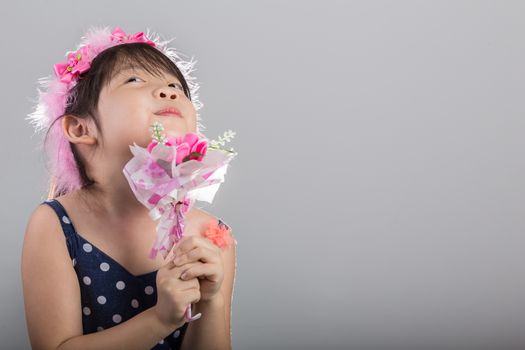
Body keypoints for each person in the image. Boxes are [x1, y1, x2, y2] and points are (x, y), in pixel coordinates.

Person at [21, 26, 236, 350]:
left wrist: (212, 300)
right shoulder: (56, 224)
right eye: (134, 80)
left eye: (175, 85)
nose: (169, 92)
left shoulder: (211, 235)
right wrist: (160, 320)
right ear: (80, 127)